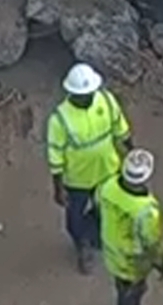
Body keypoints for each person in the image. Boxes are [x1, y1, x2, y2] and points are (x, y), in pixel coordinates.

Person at [46, 63, 134, 272]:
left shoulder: (106, 101)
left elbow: (121, 129)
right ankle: (82, 246)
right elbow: (55, 155)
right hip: (78, 179)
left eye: (89, 93)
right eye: (81, 94)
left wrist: (133, 154)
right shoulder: (59, 120)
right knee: (74, 217)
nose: (86, 97)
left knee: (107, 208)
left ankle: (99, 238)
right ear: (71, 93)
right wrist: (58, 188)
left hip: (108, 171)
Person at [96, 148, 163, 305]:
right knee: (132, 293)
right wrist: (161, 263)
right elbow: (151, 243)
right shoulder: (145, 210)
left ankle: (122, 302)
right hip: (132, 261)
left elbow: (98, 205)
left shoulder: (108, 186)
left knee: (122, 284)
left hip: (111, 249)